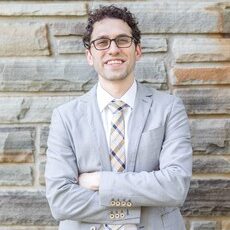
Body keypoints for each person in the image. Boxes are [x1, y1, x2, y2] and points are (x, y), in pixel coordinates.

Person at [45, 5, 192, 230]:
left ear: (137, 50)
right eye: (102, 42)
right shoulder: (65, 117)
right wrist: (137, 206)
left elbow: (175, 186)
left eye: (122, 40)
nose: (113, 49)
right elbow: (61, 201)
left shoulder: (169, 108)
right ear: (89, 55)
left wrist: (101, 181)